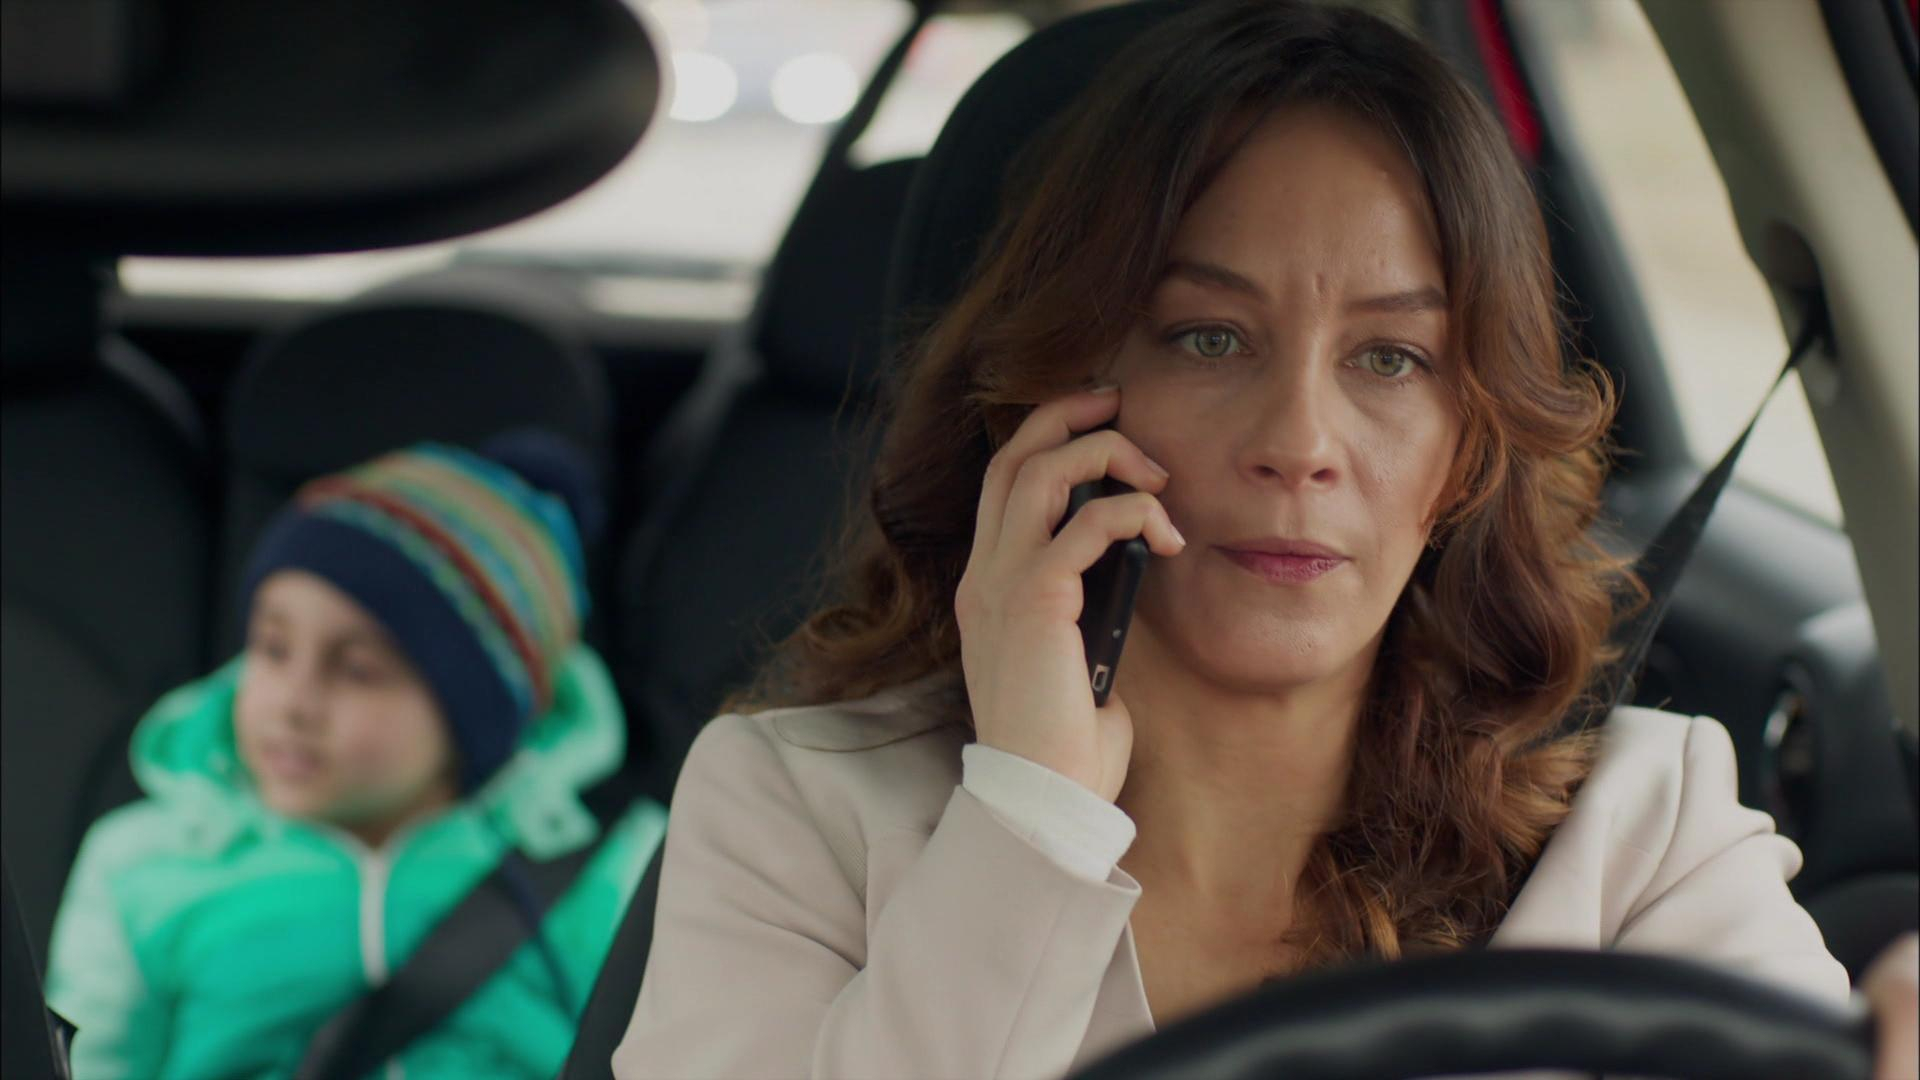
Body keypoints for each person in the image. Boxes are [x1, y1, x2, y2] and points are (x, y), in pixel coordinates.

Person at [614, 2, 1918, 1078]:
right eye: (1209, 338)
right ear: (1057, 396)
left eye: (1391, 358)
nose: (1300, 441)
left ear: (1468, 449)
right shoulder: (791, 815)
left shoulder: (1643, 837)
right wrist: (1029, 820)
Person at [45, 431, 667, 1079]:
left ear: (475, 716)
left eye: (359, 670)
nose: (294, 704)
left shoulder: (617, 875)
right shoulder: (144, 867)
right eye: (272, 648)